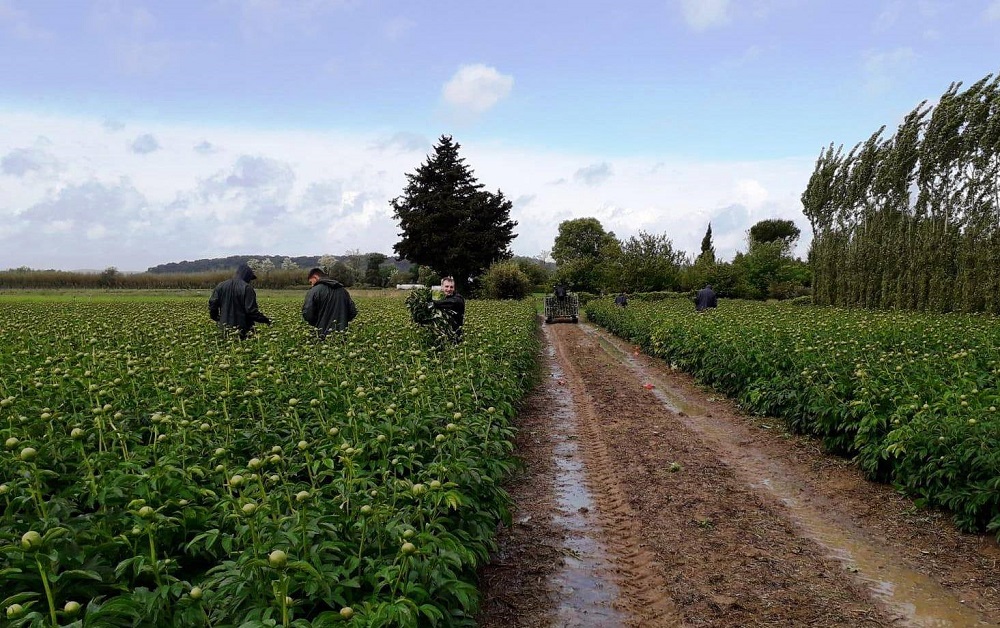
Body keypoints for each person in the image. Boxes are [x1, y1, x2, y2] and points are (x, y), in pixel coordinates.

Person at [209, 262, 272, 339]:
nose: (250, 281)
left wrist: (217, 318)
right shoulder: (247, 288)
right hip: (243, 331)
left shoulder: (220, 286)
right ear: (246, 276)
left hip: (225, 330)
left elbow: (213, 305)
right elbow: (251, 311)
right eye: (250, 278)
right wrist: (265, 320)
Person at [302, 267, 357, 339]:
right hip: (342, 337)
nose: (311, 285)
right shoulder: (343, 290)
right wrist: (342, 322)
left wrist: (318, 323)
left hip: (321, 336)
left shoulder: (314, 291)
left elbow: (308, 314)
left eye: (311, 282)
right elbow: (353, 312)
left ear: (315, 277)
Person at [431, 276, 465, 342]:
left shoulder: (458, 299)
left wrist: (432, 303)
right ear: (442, 287)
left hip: (455, 335)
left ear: (454, 288)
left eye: (451, 287)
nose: (449, 289)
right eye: (446, 286)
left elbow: (450, 302)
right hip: (444, 335)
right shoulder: (442, 297)